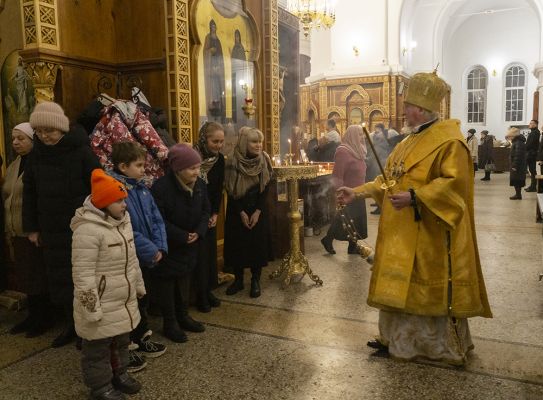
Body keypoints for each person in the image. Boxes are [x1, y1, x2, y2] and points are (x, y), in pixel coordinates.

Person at [338, 71, 492, 366]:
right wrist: (356, 193)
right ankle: (398, 339)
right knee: (400, 287)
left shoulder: (449, 142)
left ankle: (437, 347)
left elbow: (454, 185)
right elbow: (389, 180)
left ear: (420, 109)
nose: (403, 111)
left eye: (406, 105)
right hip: (401, 232)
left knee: (425, 288)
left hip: (430, 232)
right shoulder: (407, 142)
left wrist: (416, 197)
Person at [23, 102, 101, 348]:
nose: (44, 136)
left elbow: (98, 187)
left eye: (50, 131)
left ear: (61, 129)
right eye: (39, 131)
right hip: (50, 226)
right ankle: (71, 325)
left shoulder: (81, 151)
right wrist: (32, 228)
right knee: (60, 278)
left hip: (80, 226)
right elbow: (30, 193)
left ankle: (86, 329)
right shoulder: (36, 154)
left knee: (83, 278)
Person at [71, 169, 144, 400]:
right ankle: (100, 386)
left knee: (122, 341)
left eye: (124, 199)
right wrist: (90, 308)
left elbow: (132, 260)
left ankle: (119, 374)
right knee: (97, 349)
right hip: (100, 302)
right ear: (103, 202)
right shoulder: (87, 230)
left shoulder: (123, 222)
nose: (125, 204)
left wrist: (139, 284)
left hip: (122, 299)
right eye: (119, 200)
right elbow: (82, 275)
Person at [109, 142, 168, 371]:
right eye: (139, 165)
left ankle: (143, 338)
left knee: (142, 299)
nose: (144, 169)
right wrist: (150, 249)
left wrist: (160, 247)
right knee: (128, 302)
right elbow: (126, 227)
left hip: (147, 256)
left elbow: (156, 218)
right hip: (128, 257)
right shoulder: (115, 192)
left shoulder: (143, 189)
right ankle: (128, 347)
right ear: (123, 166)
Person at [151, 144, 210, 343]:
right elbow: (158, 219)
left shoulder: (200, 185)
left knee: (185, 278)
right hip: (170, 244)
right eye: (192, 168)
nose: (197, 171)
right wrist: (182, 236)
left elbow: (205, 211)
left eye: (198, 167)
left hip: (191, 241)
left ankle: (183, 316)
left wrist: (199, 232)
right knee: (168, 282)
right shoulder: (161, 188)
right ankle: (170, 322)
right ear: (178, 169)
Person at [3, 123, 51, 337]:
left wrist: (37, 228)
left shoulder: (40, 164)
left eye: (20, 138)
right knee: (25, 275)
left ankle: (43, 317)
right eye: (13, 138)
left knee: (38, 275)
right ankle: (32, 315)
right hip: (16, 230)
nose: (15, 142)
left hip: (33, 232)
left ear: (33, 140)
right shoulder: (15, 164)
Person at [224, 127, 273, 298]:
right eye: (254, 141)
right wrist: (241, 213)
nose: (259, 145)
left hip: (257, 208)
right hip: (237, 209)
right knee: (237, 245)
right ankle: (238, 280)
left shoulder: (264, 159)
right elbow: (230, 190)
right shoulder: (232, 160)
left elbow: (266, 187)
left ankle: (255, 280)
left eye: (260, 141)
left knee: (256, 245)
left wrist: (258, 211)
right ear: (245, 142)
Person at [321, 125, 368, 255]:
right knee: (343, 219)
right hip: (347, 191)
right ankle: (328, 239)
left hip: (359, 191)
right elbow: (337, 175)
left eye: (362, 134)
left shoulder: (359, 150)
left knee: (356, 219)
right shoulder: (343, 151)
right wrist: (339, 193)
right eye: (359, 134)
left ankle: (352, 246)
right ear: (352, 135)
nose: (362, 137)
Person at [193, 122, 225, 313]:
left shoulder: (220, 160)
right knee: (199, 256)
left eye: (221, 142)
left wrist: (215, 213)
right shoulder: (192, 157)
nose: (218, 145)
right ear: (204, 139)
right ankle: (199, 294)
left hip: (210, 213)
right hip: (195, 212)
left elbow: (218, 188)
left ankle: (208, 290)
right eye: (215, 141)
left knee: (210, 255)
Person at [203, 19, 226, 120]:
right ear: (210, 28)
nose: (213, 28)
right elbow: (205, 51)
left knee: (218, 86)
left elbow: (221, 56)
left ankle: (219, 104)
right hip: (210, 66)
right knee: (212, 87)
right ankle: (212, 103)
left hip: (217, 67)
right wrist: (210, 51)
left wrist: (219, 67)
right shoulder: (208, 37)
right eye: (212, 27)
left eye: (214, 27)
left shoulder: (218, 40)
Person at [506, 127, 527, 200]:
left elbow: (518, 155)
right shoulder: (517, 141)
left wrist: (515, 165)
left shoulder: (518, 142)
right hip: (518, 164)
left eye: (510, 136)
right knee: (516, 180)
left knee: (517, 180)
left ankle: (518, 195)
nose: (509, 137)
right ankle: (518, 194)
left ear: (513, 135)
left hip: (518, 165)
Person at [525, 120, 540, 192]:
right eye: (530, 123)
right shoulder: (534, 132)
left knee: (533, 171)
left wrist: (524, 147)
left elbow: (530, 144)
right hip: (531, 153)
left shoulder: (535, 133)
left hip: (532, 154)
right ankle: (532, 186)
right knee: (532, 170)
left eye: (531, 123)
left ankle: (533, 187)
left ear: (535, 125)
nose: (529, 124)